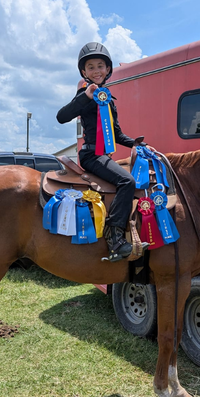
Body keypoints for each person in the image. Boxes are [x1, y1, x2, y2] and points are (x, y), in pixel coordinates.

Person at [56, 43, 136, 261]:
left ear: (108, 69)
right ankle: (115, 237)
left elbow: (117, 135)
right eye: (91, 67)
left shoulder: (109, 100)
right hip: (91, 156)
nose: (96, 71)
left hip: (104, 156)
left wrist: (139, 145)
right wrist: (85, 97)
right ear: (84, 73)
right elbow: (61, 117)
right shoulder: (85, 95)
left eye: (100, 66)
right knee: (127, 182)